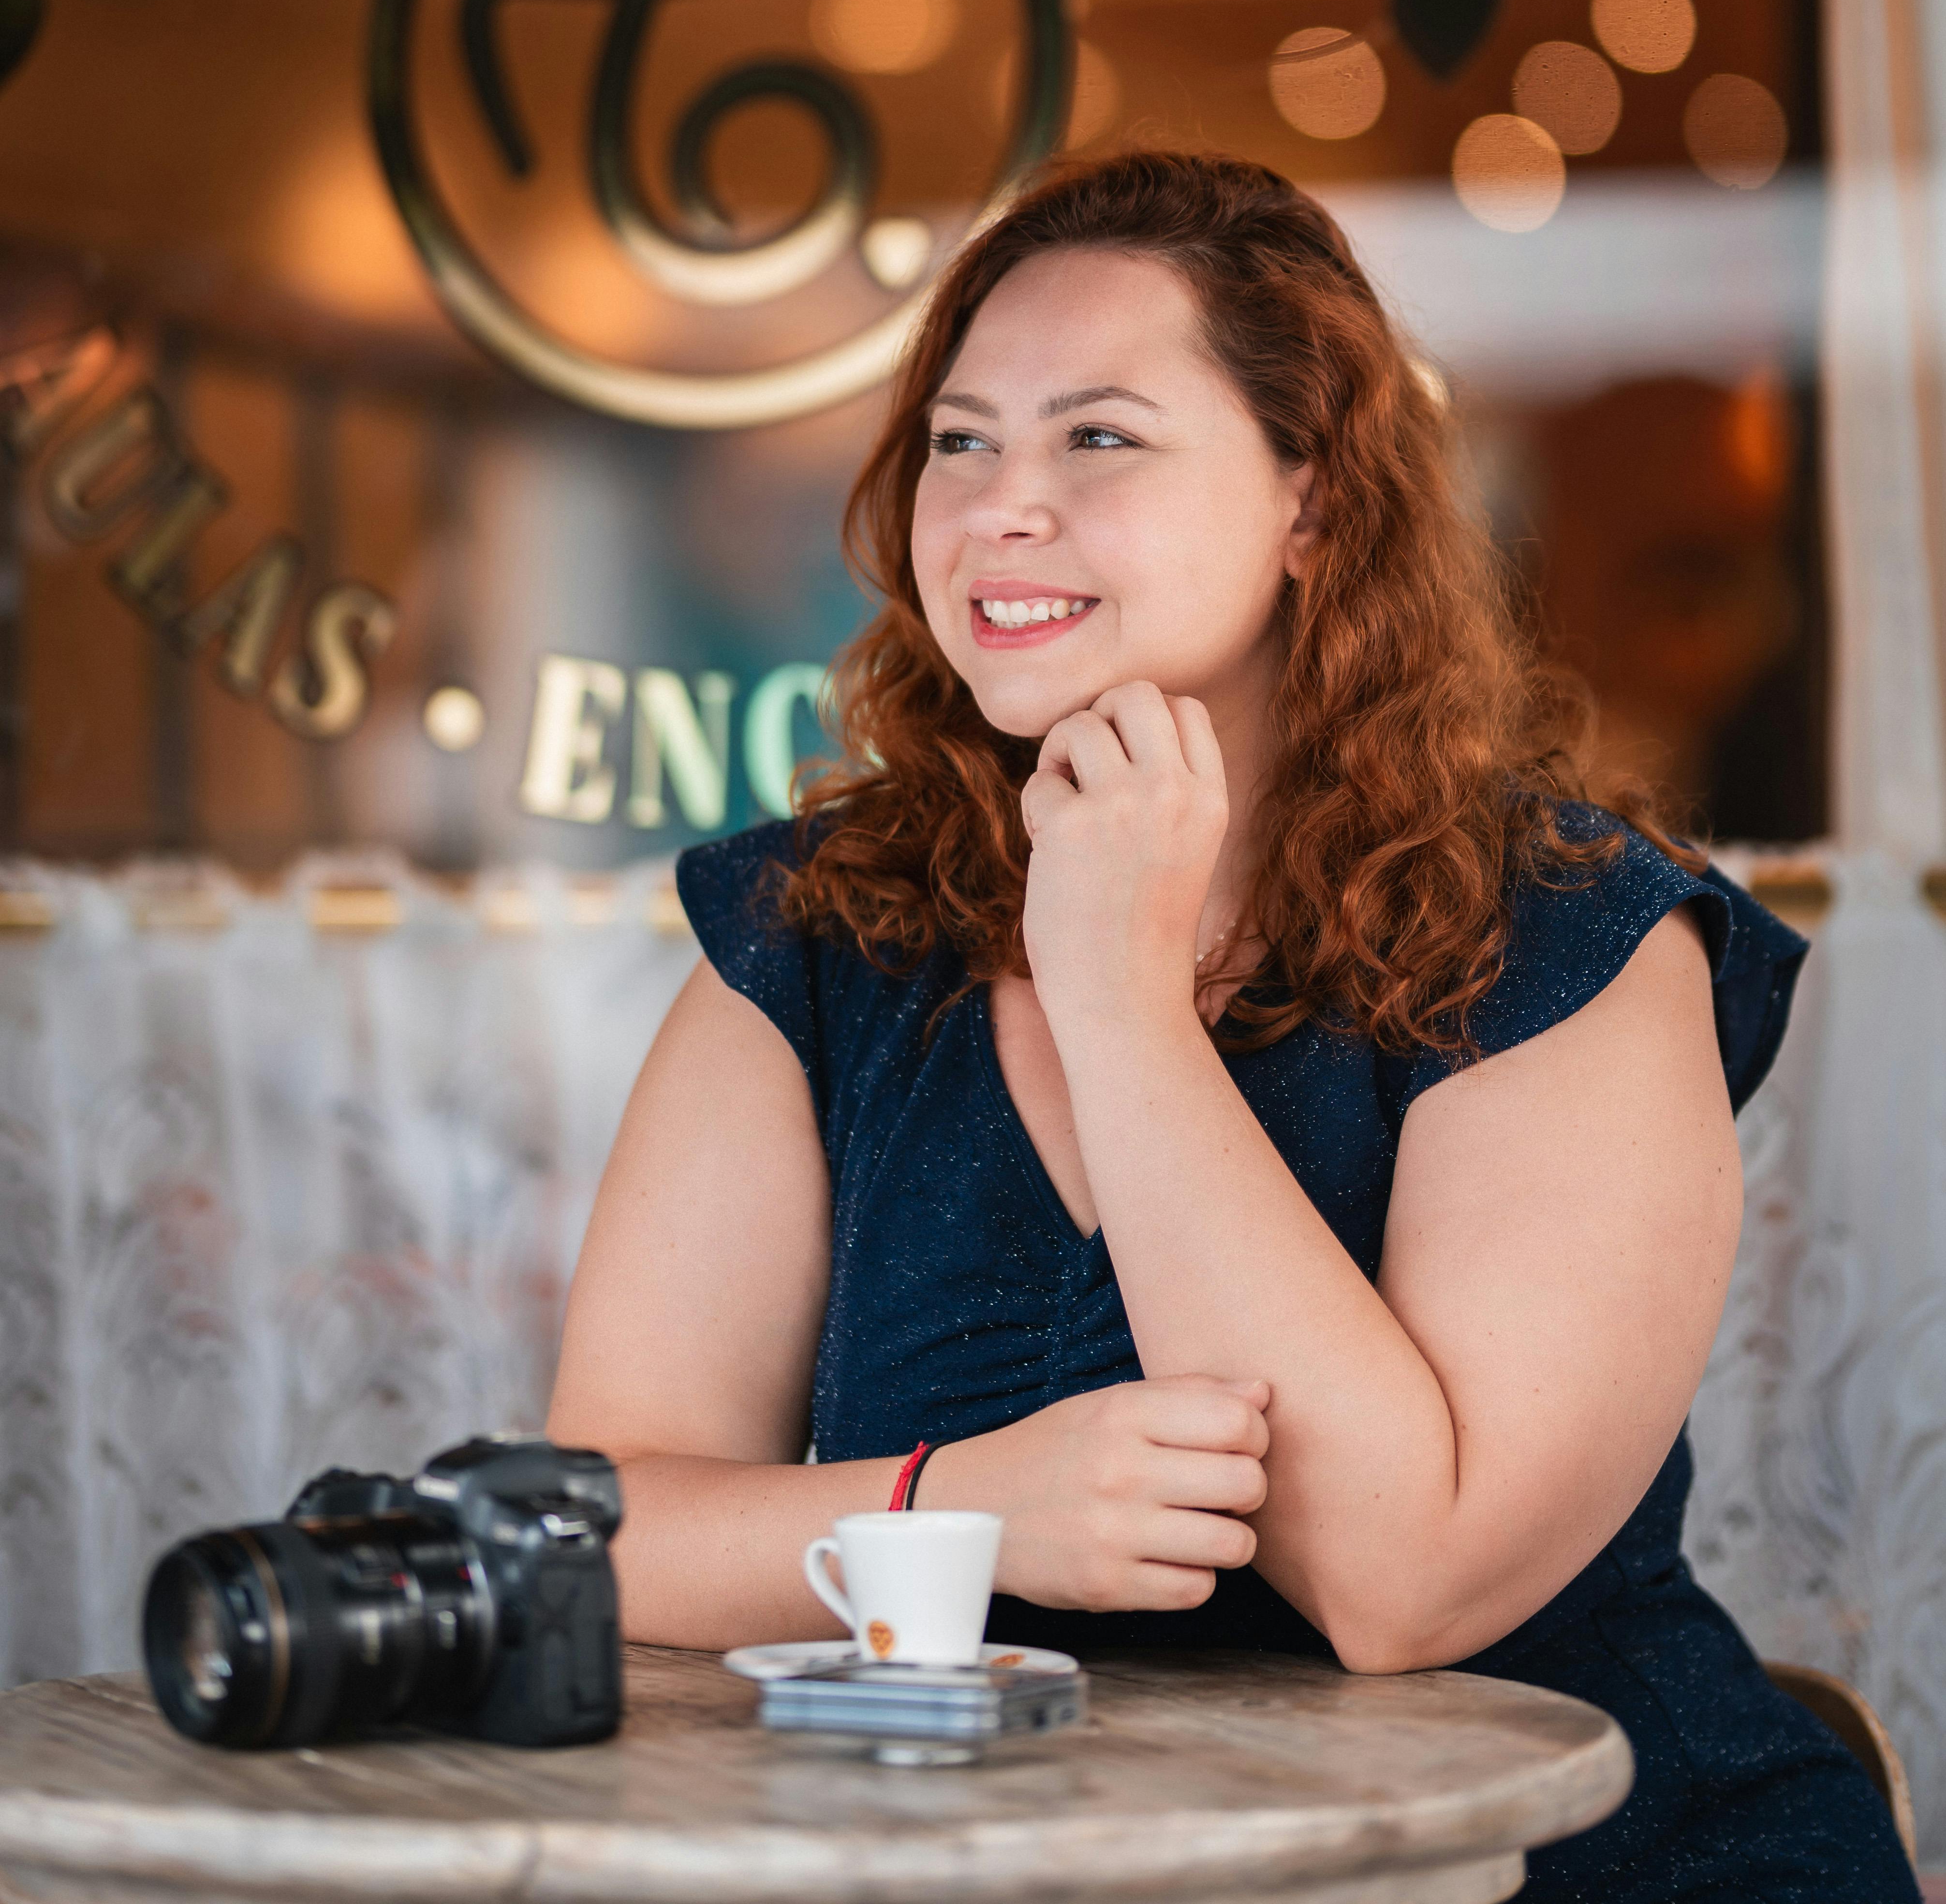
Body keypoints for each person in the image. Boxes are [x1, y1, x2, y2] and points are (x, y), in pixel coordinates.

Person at [549, 149, 1917, 1904]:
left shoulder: (1573, 938)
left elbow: (1403, 1585)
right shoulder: (823, 932)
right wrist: (950, 1511)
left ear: (1316, 505)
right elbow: (592, 1529)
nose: (999, 509)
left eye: (1098, 439)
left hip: (1578, 1866)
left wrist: (1119, 996)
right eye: (960, 442)